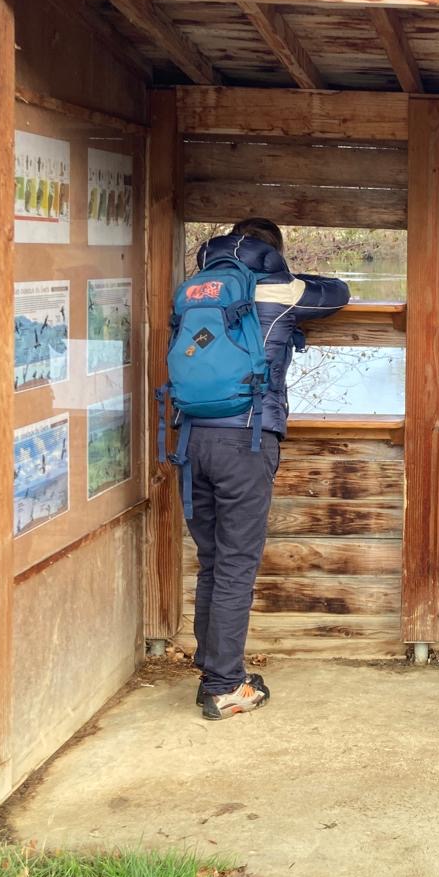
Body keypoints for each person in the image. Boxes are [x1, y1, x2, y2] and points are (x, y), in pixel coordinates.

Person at [177, 218, 349, 720]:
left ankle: (212, 667)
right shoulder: (281, 287)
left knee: (213, 561)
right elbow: (337, 293)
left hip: (191, 437)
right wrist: (289, 272)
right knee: (235, 565)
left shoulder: (194, 289)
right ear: (272, 250)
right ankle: (225, 686)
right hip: (245, 439)